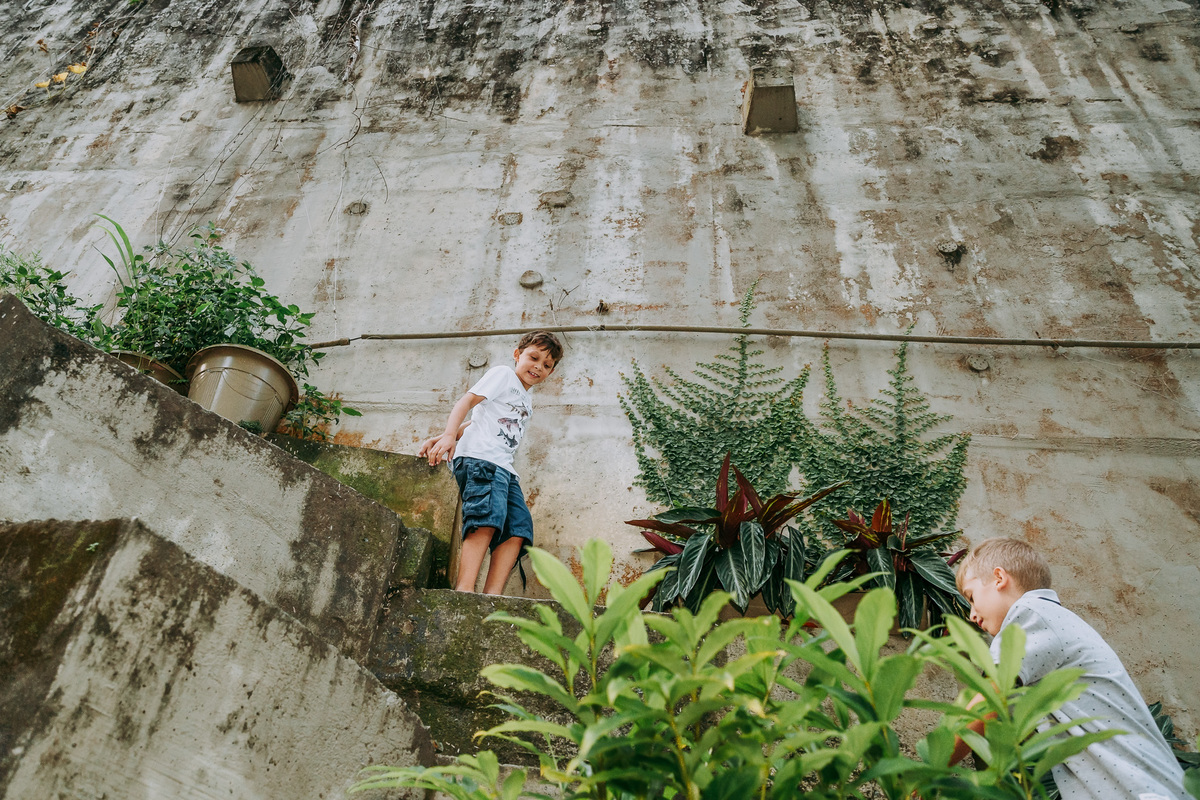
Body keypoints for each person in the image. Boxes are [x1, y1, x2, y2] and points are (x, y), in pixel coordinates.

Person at [952, 537, 1187, 800]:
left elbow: (987, 703)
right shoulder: (1051, 624)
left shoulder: (1030, 614)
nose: (971, 614)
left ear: (998, 578)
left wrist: (929, 766)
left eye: (971, 598)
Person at [418, 331, 563, 595]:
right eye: (534, 357)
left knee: (518, 527)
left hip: (504, 468)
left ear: (550, 373)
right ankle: (465, 590)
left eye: (546, 365)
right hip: (481, 460)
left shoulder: (525, 398)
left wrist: (446, 435)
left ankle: (492, 596)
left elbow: (481, 421)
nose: (538, 367)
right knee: (485, 518)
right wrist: (449, 436)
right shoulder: (503, 375)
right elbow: (468, 401)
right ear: (517, 354)